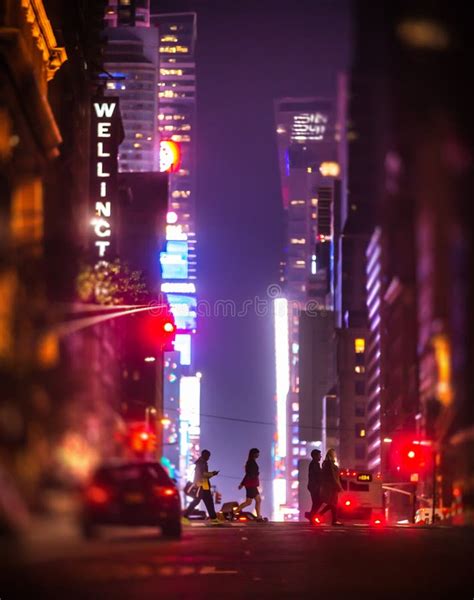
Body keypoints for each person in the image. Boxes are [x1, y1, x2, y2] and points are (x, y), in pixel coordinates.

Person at [183, 449, 219, 524]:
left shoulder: (201, 462)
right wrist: (213, 473)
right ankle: (214, 519)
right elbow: (203, 475)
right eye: (208, 456)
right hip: (202, 486)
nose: (209, 458)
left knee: (199, 502)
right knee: (207, 502)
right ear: (204, 455)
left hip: (202, 485)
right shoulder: (201, 463)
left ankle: (214, 519)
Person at [237, 448, 264, 521]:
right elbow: (248, 474)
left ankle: (234, 512)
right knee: (257, 500)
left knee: (249, 502)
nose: (258, 455)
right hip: (251, 484)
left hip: (251, 484)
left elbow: (248, 474)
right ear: (253, 454)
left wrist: (242, 484)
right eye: (257, 453)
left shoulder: (251, 462)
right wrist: (242, 484)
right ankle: (258, 517)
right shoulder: (250, 462)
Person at [318, 448, 344, 526]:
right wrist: (338, 486)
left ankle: (331, 519)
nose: (335, 455)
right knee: (333, 504)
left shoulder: (327, 464)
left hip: (331, 486)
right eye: (334, 454)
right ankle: (334, 520)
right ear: (331, 455)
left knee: (332, 504)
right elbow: (333, 476)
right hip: (332, 487)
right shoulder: (330, 465)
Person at [307, 449, 322, 520]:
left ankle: (311, 516)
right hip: (314, 486)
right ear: (315, 456)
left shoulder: (314, 463)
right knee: (318, 502)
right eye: (319, 455)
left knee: (316, 502)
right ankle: (310, 515)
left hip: (314, 486)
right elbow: (318, 475)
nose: (320, 456)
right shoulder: (314, 464)